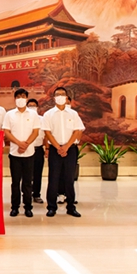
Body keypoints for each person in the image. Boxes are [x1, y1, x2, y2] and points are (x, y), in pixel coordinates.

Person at [42, 87, 85, 218]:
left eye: (62, 94)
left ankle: (71, 207)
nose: (60, 96)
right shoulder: (48, 114)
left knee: (69, 178)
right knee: (53, 178)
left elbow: (77, 131)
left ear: (66, 98)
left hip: (70, 149)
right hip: (55, 149)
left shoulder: (73, 114)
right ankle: (51, 207)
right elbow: (47, 133)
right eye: (57, 94)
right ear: (54, 98)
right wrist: (58, 147)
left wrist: (66, 147)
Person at [3, 88, 41, 218]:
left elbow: (35, 132)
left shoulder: (33, 114)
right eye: (18, 97)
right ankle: (15, 207)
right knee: (15, 182)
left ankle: (28, 207)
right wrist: (19, 143)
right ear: (15, 99)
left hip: (29, 153)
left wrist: (26, 144)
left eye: (23, 96)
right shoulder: (9, 114)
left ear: (26, 98)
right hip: (15, 154)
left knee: (27, 182)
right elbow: (7, 132)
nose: (21, 99)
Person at [27, 99, 46, 204]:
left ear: (37, 107)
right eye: (30, 105)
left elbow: (46, 135)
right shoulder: (24, 119)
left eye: (34, 105)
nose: (32, 107)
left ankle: (36, 194)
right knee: (26, 174)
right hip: (26, 149)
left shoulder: (42, 120)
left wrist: (47, 148)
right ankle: (26, 194)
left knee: (38, 173)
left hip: (38, 149)